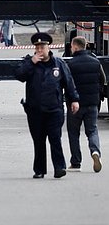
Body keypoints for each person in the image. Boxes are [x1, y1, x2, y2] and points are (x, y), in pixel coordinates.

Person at [15, 32, 80, 179]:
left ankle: (59, 167)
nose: (39, 50)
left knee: (55, 138)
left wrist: (74, 99)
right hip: (35, 110)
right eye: (37, 47)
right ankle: (39, 170)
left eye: (42, 47)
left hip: (54, 109)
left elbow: (69, 83)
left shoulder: (58, 63)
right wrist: (32, 62)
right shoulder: (29, 63)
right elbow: (18, 75)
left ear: (48, 47)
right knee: (38, 141)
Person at [66, 36, 105, 172]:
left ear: (75, 47)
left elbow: (66, 83)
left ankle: (76, 162)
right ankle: (95, 152)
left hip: (75, 105)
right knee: (92, 130)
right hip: (92, 103)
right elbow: (102, 80)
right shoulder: (95, 62)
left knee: (73, 133)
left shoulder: (70, 64)